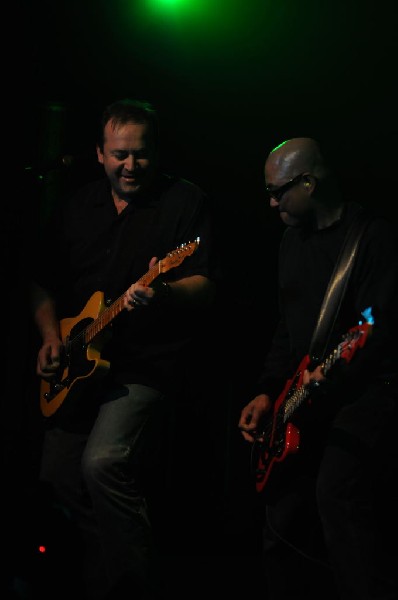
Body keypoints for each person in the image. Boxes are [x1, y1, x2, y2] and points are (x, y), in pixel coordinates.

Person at [30, 98, 218, 599]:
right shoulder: (76, 207)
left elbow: (204, 283)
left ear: (155, 153)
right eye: (119, 155)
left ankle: (134, 590)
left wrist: (163, 292)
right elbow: (40, 283)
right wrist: (51, 337)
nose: (130, 166)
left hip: (143, 366)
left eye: (140, 154)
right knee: (57, 479)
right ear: (98, 154)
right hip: (76, 365)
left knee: (104, 462)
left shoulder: (183, 202)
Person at [238, 137, 398, 600]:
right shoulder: (291, 242)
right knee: (280, 515)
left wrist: (338, 371)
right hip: (305, 394)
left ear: (309, 182)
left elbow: (375, 324)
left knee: (338, 496)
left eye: (278, 191)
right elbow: (287, 331)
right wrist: (269, 390)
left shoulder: (373, 236)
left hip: (369, 392)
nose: (270, 202)